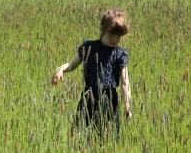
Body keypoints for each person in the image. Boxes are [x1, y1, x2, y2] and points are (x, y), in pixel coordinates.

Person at [51, 8, 133, 139]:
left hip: (110, 100)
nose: (117, 38)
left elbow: (125, 83)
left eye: (120, 35)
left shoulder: (120, 54)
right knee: (81, 135)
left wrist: (128, 106)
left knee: (108, 137)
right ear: (104, 29)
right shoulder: (89, 47)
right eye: (113, 34)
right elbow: (72, 64)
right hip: (89, 97)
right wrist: (61, 69)